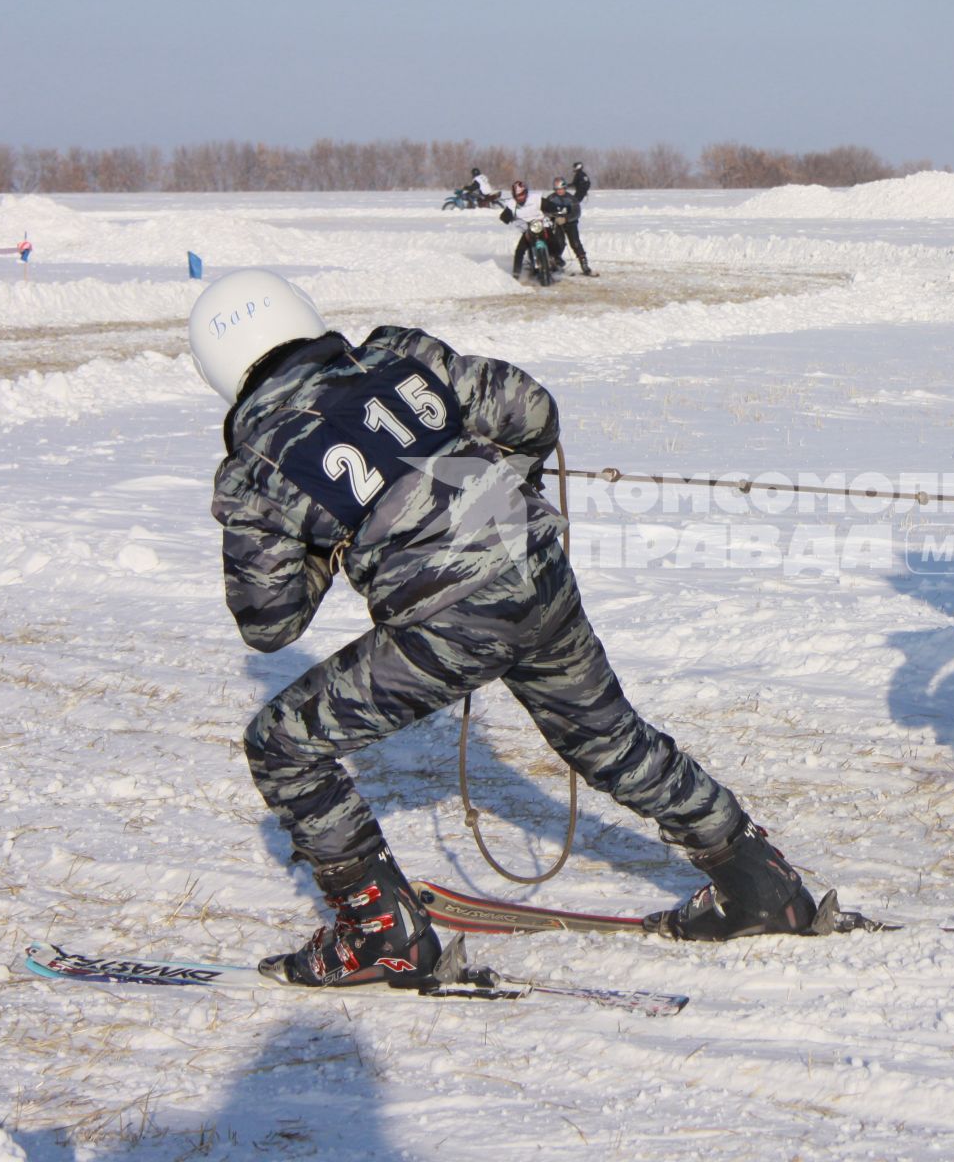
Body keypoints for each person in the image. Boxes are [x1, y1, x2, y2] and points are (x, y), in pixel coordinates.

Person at [189, 270, 817, 987]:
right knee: (609, 738)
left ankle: (377, 937)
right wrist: (487, 496)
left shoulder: (256, 467)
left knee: (280, 746)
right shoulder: (401, 358)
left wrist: (333, 544)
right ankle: (759, 881)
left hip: (446, 623)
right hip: (535, 563)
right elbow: (531, 410)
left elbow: (270, 621)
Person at [540, 177, 595, 276]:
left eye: (561, 189)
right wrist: (552, 216)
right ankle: (556, 263)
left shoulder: (571, 199)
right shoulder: (551, 198)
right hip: (557, 224)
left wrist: (566, 219)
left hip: (571, 224)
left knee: (575, 243)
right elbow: (544, 211)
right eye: (557, 190)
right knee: (558, 243)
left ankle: (584, 264)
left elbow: (577, 213)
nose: (559, 191)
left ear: (565, 188)